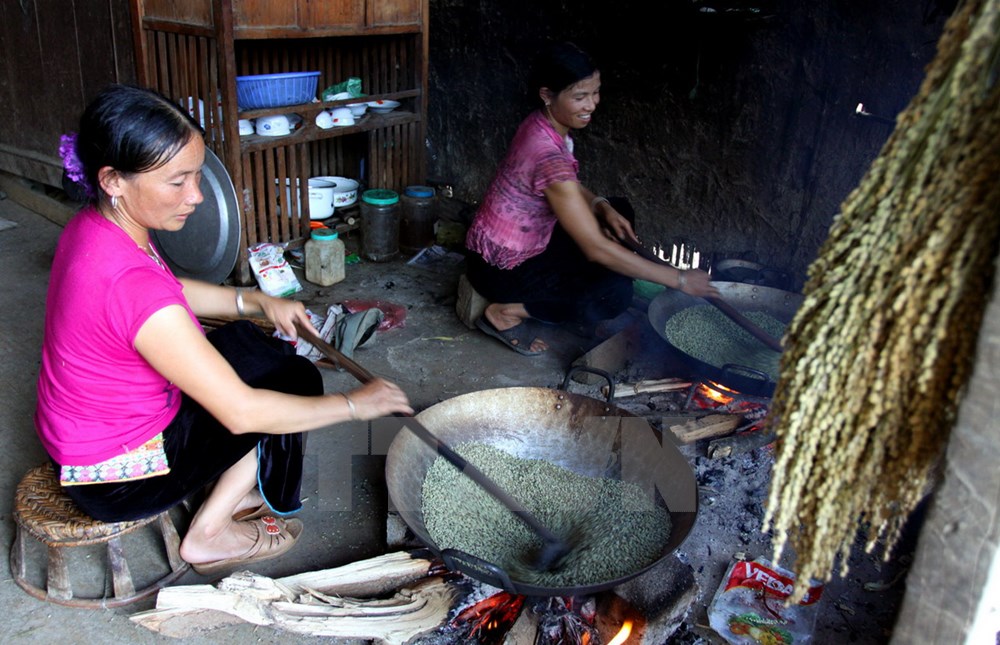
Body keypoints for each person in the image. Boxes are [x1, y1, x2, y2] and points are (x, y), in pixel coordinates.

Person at [37, 84, 413, 575]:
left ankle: (240, 479)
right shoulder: (130, 286)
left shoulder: (96, 226)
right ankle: (209, 534)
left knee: (249, 344)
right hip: (117, 478)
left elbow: (169, 293)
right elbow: (238, 412)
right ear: (113, 179)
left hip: (81, 432)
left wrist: (253, 301)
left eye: (197, 175)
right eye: (177, 182)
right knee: (294, 382)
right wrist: (354, 405)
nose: (194, 195)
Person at [465, 42, 719, 355]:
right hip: (501, 269)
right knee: (613, 294)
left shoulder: (542, 123)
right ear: (547, 95)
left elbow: (567, 188)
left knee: (617, 209)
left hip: (516, 243)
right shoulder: (546, 153)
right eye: (580, 96)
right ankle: (505, 312)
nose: (592, 105)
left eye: (595, 92)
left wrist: (600, 205)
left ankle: (569, 304)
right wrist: (679, 279)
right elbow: (595, 249)